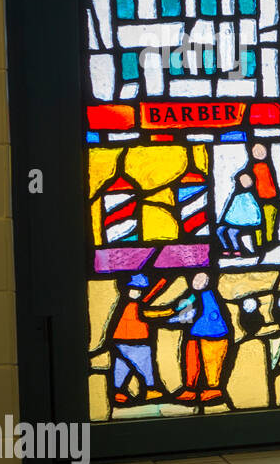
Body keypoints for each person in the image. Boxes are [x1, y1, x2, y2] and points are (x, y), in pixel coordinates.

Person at [106, 273, 171, 405]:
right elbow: (150, 314)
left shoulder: (131, 305)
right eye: (133, 290)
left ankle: (118, 391)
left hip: (122, 340)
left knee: (122, 366)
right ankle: (150, 389)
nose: (136, 293)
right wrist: (171, 311)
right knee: (145, 366)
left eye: (139, 291)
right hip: (137, 341)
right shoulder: (133, 307)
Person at [174, 272, 231, 403]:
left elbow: (212, 316)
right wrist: (172, 315)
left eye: (202, 279)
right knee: (191, 360)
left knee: (212, 362)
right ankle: (190, 389)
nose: (198, 282)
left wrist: (178, 317)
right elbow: (181, 309)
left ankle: (213, 389)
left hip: (214, 335)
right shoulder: (192, 296)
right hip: (194, 334)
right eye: (196, 278)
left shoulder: (210, 296)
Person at [219, 173, 262, 256]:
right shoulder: (237, 196)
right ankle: (226, 248)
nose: (235, 184)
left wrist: (235, 222)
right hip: (233, 221)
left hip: (243, 222)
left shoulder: (247, 197)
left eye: (237, 182)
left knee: (231, 232)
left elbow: (251, 215)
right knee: (219, 230)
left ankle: (237, 249)